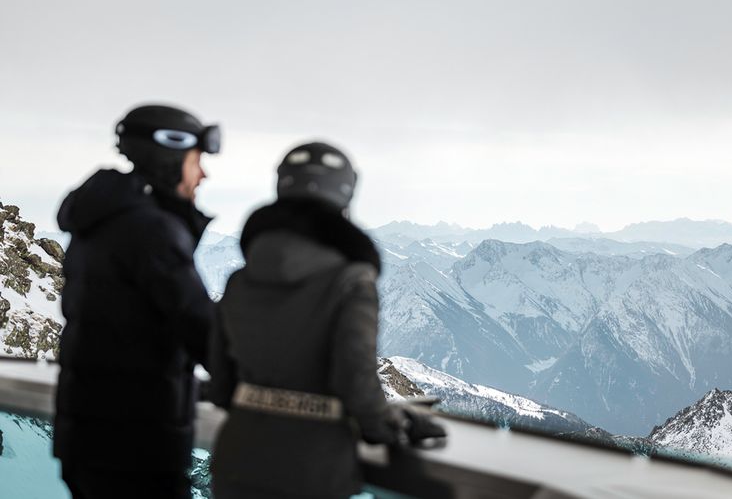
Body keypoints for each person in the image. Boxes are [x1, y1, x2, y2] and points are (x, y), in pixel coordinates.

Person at [208, 141, 445, 499]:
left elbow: (222, 383)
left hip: (236, 464)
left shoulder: (240, 280)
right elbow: (358, 385)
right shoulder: (351, 282)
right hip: (311, 473)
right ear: (346, 195)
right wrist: (401, 423)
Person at [54, 104, 221, 499]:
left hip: (88, 441)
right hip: (135, 451)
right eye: (197, 161)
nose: (204, 174)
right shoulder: (151, 231)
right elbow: (205, 332)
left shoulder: (100, 221)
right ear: (169, 159)